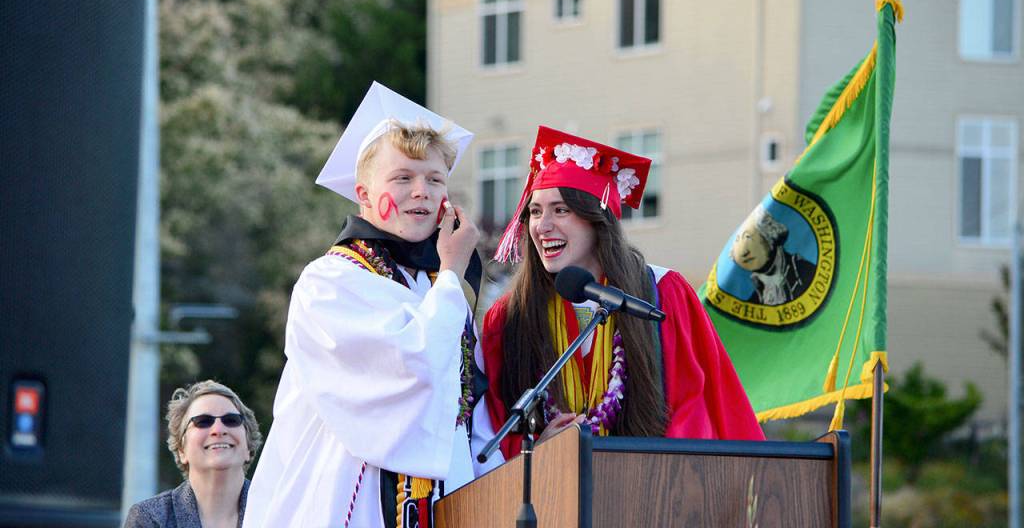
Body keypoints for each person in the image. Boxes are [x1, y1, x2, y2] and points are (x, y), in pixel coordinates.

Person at [243, 82, 493, 528]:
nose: (422, 191)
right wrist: (453, 275)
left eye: (435, 179)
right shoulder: (330, 282)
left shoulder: (438, 290)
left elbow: (464, 419)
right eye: (403, 178)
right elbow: (411, 365)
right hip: (339, 508)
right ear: (363, 195)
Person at [479, 126, 765, 460]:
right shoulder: (511, 317)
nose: (542, 226)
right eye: (535, 211)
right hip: (548, 499)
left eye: (560, 210)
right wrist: (538, 451)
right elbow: (492, 430)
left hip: (648, 493)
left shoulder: (660, 294)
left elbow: (692, 411)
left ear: (596, 219)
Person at [124, 380, 263, 528]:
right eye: (202, 421)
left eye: (231, 420)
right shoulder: (149, 519)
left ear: (249, 446)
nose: (218, 429)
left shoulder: (280, 509)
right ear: (181, 450)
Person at [730, 204, 816, 306]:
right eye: (737, 240)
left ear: (769, 234)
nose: (744, 253)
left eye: (748, 237)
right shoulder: (754, 299)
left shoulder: (804, 271)